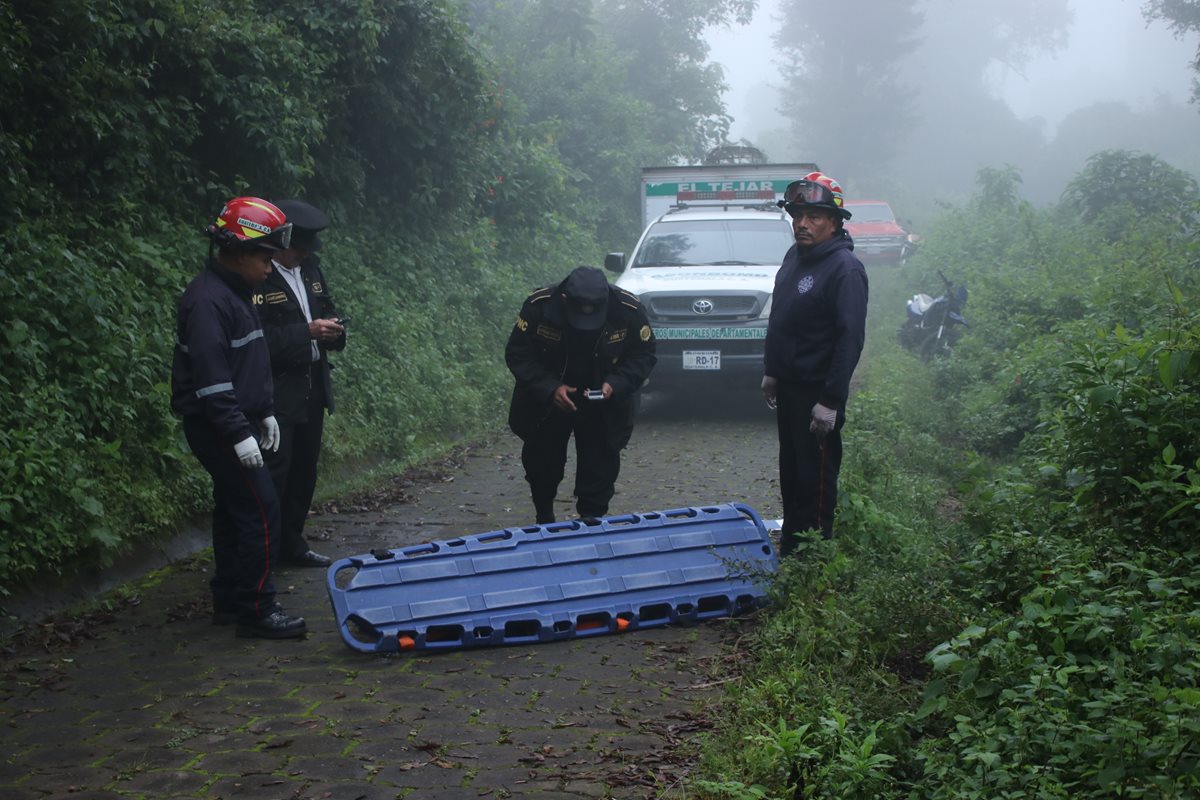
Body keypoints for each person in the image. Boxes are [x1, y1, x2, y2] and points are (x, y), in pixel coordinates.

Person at [171, 197, 307, 638]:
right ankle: (258, 609)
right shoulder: (208, 302)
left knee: (234, 509)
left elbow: (247, 363)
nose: (271, 268)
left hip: (239, 419)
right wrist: (238, 434)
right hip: (220, 425)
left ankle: (230, 599)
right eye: (265, 257)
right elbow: (212, 382)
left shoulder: (235, 293)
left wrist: (264, 412)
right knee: (261, 509)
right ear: (239, 251)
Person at [761, 172, 868, 553]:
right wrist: (773, 370)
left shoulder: (844, 269)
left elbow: (849, 339)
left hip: (817, 393)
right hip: (789, 387)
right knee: (791, 473)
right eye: (798, 216)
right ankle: (791, 549)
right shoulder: (796, 257)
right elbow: (782, 319)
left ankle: (816, 559)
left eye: (814, 217)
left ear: (835, 222)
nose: (802, 224)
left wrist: (831, 400)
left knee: (816, 479)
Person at [505, 266, 657, 524]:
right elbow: (519, 353)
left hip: (602, 400)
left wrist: (616, 384)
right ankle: (544, 515)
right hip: (549, 400)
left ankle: (591, 522)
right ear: (565, 299)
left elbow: (643, 355)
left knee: (601, 465)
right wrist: (549, 387)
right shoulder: (539, 306)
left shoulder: (627, 309)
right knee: (542, 463)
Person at [255, 200, 345, 568]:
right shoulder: (259, 276)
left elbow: (325, 308)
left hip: (312, 387)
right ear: (281, 241)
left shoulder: (310, 269)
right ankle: (264, 554)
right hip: (278, 392)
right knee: (276, 473)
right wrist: (305, 331)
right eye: (299, 247)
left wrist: (334, 331)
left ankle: (292, 542)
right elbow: (257, 340)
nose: (304, 255)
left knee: (305, 472)